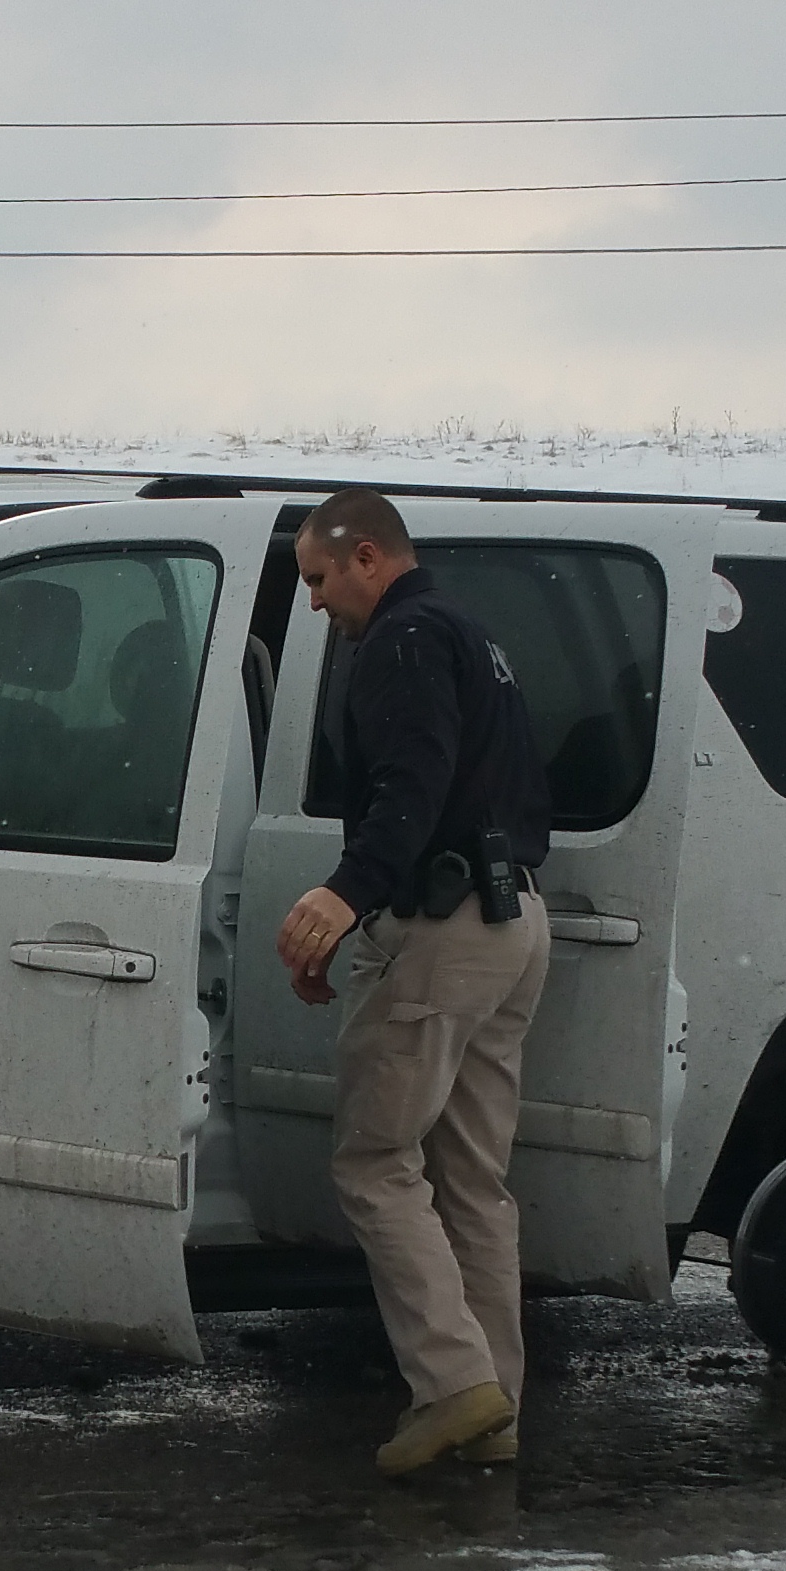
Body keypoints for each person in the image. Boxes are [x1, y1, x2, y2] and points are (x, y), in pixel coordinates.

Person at [270, 490, 552, 1474]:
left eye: (314, 577)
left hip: (443, 923)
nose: (310, 603)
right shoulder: (473, 636)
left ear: (365, 557)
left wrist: (348, 895)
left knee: (373, 1164)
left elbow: (411, 784)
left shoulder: (400, 641)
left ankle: (451, 1386)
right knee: (470, 1180)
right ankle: (494, 1409)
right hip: (511, 917)